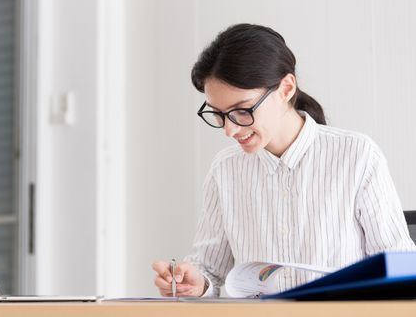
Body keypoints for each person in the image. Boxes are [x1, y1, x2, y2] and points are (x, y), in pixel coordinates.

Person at [151, 23, 416, 297]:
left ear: (286, 88)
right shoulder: (225, 169)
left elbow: (401, 268)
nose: (229, 129)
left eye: (241, 111)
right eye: (218, 114)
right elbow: (211, 272)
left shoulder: (356, 156)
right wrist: (197, 282)